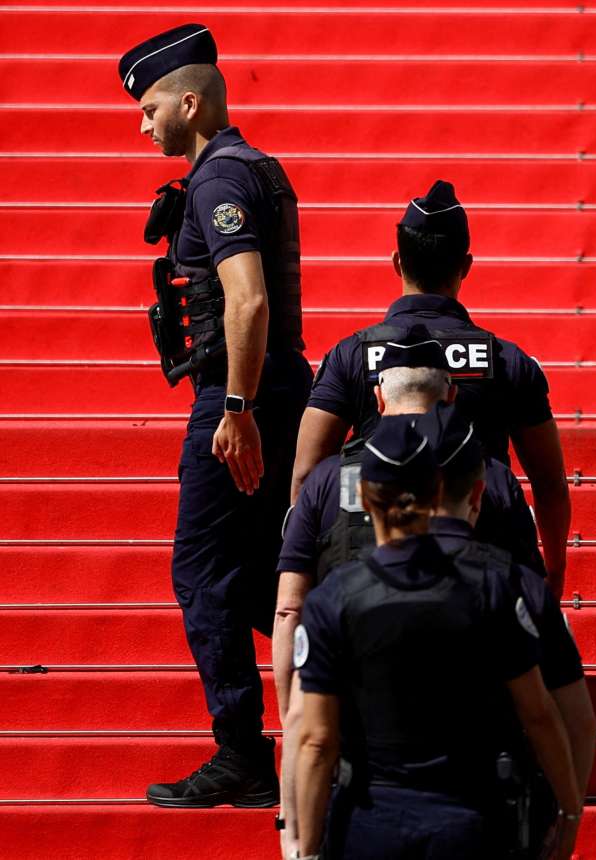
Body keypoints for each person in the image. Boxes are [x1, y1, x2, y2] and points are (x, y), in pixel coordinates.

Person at [274, 342, 594, 855]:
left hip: (369, 816)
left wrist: (300, 838)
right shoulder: (500, 583)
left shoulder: (335, 590)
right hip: (476, 814)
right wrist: (569, 810)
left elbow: (311, 734)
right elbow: (546, 710)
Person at [119, 23, 312, 807]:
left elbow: (249, 299)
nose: (144, 125)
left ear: (190, 103)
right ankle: (360, 699)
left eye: (150, 108)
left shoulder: (218, 180)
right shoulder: (255, 168)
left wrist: (235, 406)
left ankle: (242, 754)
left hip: (242, 396)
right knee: (267, 573)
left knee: (201, 572)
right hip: (277, 388)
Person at [292, 179, 572, 596]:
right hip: (478, 576)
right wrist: (554, 569)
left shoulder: (349, 355)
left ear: (396, 261)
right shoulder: (507, 361)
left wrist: (303, 572)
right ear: (466, 265)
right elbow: (549, 484)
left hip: (368, 572)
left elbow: (306, 474)